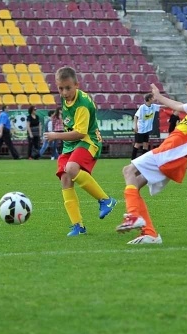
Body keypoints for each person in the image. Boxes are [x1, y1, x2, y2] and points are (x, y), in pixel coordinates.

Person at [117, 72, 187, 244]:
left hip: (169, 154)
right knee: (134, 182)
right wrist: (158, 96)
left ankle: (133, 215)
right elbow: (178, 106)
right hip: (168, 155)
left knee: (128, 170)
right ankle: (150, 234)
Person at [42, 66, 116, 236]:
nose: (64, 92)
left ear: (77, 85)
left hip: (88, 141)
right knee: (65, 179)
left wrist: (56, 135)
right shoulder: (65, 99)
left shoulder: (82, 104)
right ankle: (78, 226)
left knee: (71, 168)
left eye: (68, 88)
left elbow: (81, 132)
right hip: (72, 144)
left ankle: (106, 200)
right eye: (61, 88)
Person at [131, 93, 160, 160]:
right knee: (137, 144)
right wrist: (135, 126)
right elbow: (136, 116)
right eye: (153, 98)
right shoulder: (142, 107)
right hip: (140, 129)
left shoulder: (153, 106)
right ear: (149, 99)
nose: (154, 99)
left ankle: (143, 160)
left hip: (147, 129)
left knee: (146, 145)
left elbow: (162, 106)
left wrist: (172, 105)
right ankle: (132, 159)